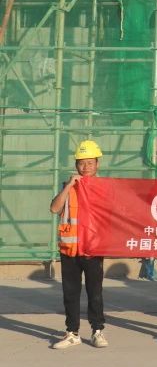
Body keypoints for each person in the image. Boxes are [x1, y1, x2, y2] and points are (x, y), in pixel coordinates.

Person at [49, 140, 109, 350]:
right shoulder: (69, 186)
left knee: (95, 292)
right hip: (70, 250)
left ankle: (97, 331)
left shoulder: (104, 188)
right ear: (76, 165)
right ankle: (72, 333)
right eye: (81, 163)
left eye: (90, 162)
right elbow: (54, 208)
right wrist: (68, 186)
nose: (86, 167)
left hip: (92, 249)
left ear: (97, 164)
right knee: (70, 293)